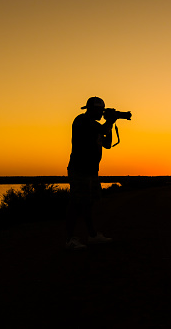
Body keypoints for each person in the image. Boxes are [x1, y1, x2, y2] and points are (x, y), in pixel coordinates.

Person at [65, 96, 117, 250]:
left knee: (88, 203)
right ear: (91, 109)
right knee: (75, 203)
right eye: (100, 110)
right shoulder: (81, 121)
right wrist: (110, 122)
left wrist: (110, 126)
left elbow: (107, 144)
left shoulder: (96, 125)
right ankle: (69, 239)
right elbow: (100, 129)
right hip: (79, 169)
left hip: (92, 170)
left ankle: (92, 235)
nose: (102, 113)